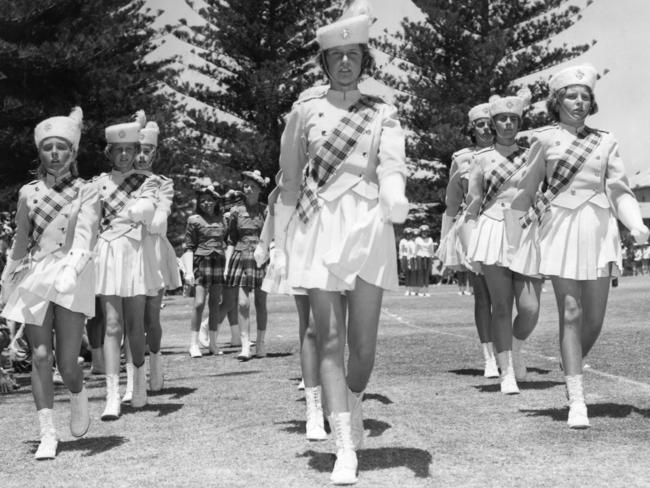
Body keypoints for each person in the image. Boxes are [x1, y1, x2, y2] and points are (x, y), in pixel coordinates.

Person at [271, 2, 409, 483]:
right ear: (325, 62)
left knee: (363, 348)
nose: (345, 62)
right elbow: (290, 181)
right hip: (317, 222)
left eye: (354, 54)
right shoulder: (305, 111)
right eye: (337, 56)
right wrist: (280, 242)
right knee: (329, 339)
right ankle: (344, 444)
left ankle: (349, 402)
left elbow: (392, 164)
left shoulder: (382, 112)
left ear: (364, 61)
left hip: (368, 224)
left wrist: (395, 195)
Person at [508, 64, 649, 427]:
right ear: (558, 101)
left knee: (594, 319)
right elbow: (524, 192)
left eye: (585, 96)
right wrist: (511, 244)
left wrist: (635, 223)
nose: (580, 101)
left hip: (599, 229)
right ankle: (577, 398)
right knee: (570, 313)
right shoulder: (544, 139)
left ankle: (571, 371)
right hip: (560, 228)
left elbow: (620, 190)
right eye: (572, 95)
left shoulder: (605, 140)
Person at [0, 107, 98, 459]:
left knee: (68, 362)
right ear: (40, 152)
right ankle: (47, 433)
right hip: (38, 275)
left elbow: (86, 234)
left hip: (74, 274)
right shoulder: (28, 192)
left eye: (62, 147)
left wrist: (72, 267)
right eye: (48, 147)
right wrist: (7, 279)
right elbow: (21, 241)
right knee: (41, 356)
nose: (54, 153)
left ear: (73, 152)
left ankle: (77, 391)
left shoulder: (88, 190)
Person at [465, 90, 543, 395]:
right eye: (501, 119)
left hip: (525, 229)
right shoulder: (480, 159)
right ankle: (506, 370)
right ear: (493, 123)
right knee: (500, 306)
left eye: (513, 118)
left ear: (520, 121)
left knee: (530, 308)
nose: (508, 123)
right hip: (494, 229)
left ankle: (516, 347)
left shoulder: (532, 154)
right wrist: (468, 240)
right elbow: (474, 201)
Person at [94, 112, 163, 420]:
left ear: (137, 152)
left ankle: (138, 383)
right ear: (109, 152)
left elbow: (150, 209)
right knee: (111, 324)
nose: (124, 155)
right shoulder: (95, 185)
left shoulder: (149, 182)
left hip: (135, 253)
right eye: (118, 150)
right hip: (107, 253)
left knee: (135, 325)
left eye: (129, 150)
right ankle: (112, 394)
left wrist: (145, 210)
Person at [259, 171, 327, 441]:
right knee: (309, 325)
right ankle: (314, 408)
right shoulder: (290, 168)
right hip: (301, 243)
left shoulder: (337, 156)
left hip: (334, 241)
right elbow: (275, 207)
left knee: (332, 327)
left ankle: (334, 390)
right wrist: (267, 245)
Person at [439, 103, 497, 377]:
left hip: (505, 227)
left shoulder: (511, 154)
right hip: (473, 228)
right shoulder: (461, 159)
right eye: (480, 124)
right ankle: (489, 356)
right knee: (484, 296)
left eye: (490, 122)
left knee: (508, 296)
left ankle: (509, 348)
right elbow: (451, 205)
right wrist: (442, 243)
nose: (486, 128)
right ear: (471, 128)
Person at [125, 118, 181, 393]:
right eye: (138, 149)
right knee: (129, 319)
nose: (142, 155)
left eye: (148, 150)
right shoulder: (120, 181)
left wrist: (157, 213)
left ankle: (156, 365)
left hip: (154, 251)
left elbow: (163, 211)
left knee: (151, 317)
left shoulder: (163, 183)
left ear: (155, 154)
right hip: (127, 252)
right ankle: (134, 377)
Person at [220, 170, 270, 359]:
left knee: (260, 302)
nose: (247, 189)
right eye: (246, 185)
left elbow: (271, 236)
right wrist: (226, 265)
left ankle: (261, 344)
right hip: (240, 257)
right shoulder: (235, 212)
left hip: (260, 257)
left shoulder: (266, 210)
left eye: (252, 186)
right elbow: (231, 240)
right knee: (242, 303)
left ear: (259, 190)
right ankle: (245, 346)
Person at [181, 185, 227, 357]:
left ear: (216, 201)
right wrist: (189, 271)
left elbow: (227, 241)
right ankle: (193, 344)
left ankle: (213, 343)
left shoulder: (223, 219)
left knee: (215, 303)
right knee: (199, 303)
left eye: (210, 199)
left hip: (219, 261)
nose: (206, 203)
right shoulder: (194, 220)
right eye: (203, 200)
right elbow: (188, 247)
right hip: (202, 262)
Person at [414, 224, 434, 296]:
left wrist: (432, 258)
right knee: (420, 274)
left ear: (428, 232)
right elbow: (415, 250)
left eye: (426, 232)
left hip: (428, 257)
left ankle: (426, 291)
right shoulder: (417, 239)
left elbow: (431, 250)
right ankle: (421, 291)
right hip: (420, 257)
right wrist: (414, 258)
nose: (424, 233)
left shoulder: (430, 239)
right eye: (423, 232)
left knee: (426, 274)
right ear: (420, 232)